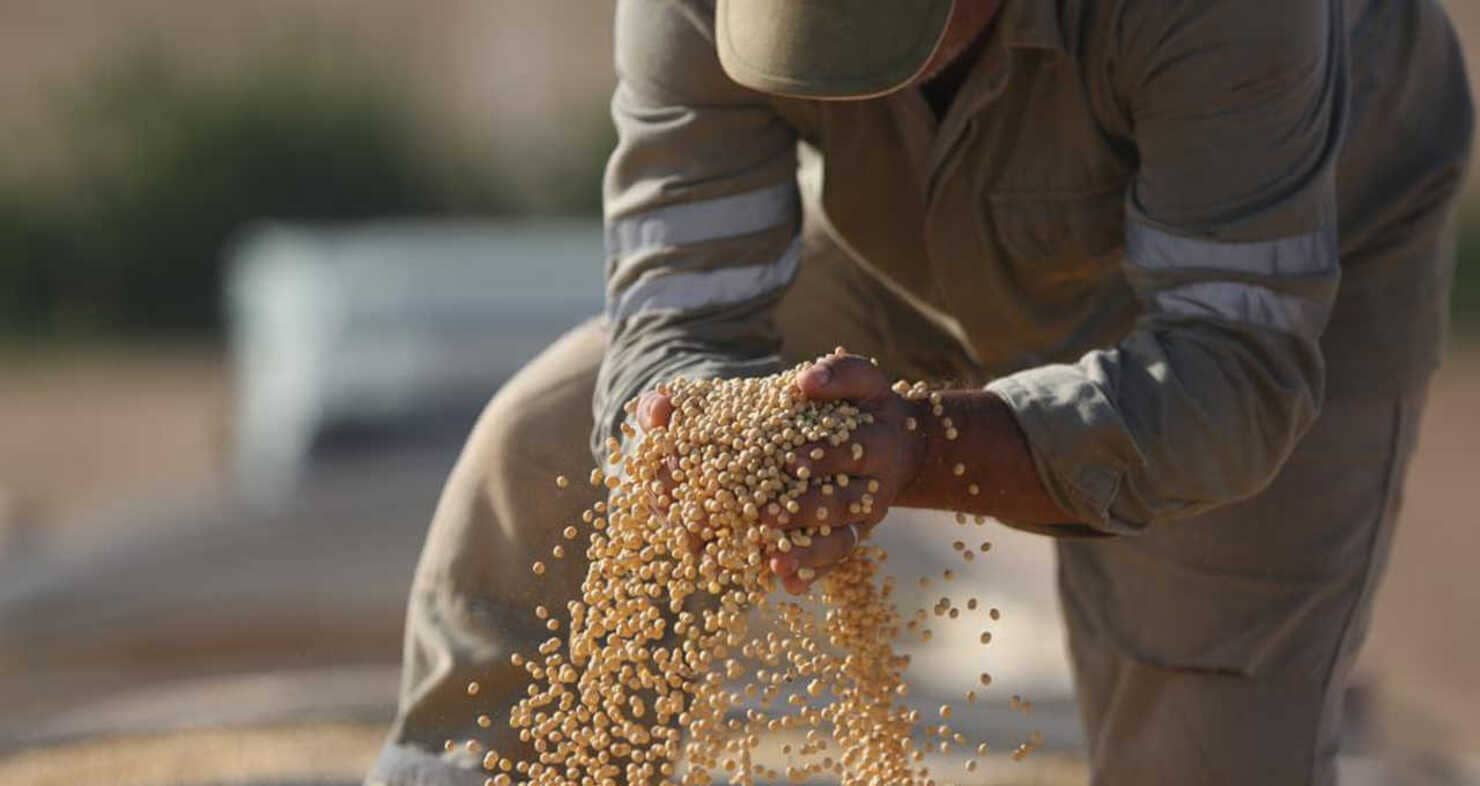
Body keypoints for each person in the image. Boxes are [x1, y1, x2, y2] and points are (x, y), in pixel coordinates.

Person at [367, 1, 1474, 784]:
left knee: (1201, 721)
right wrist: (703, 425)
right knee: (549, 450)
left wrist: (920, 448)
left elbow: (1230, 377)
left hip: (1262, 261)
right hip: (903, 232)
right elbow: (678, 323)